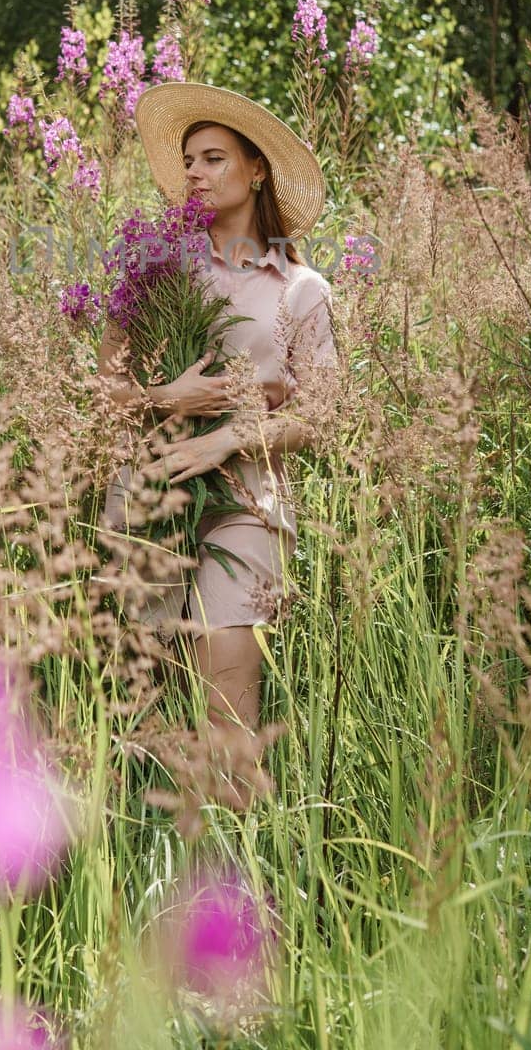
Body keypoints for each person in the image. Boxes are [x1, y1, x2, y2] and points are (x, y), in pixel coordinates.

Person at [99, 82, 337, 734]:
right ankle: (160, 835)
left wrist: (226, 439)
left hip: (243, 503)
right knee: (145, 715)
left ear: (256, 169)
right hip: (151, 498)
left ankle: (231, 829)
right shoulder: (153, 273)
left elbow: (321, 416)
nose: (194, 174)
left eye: (213, 158)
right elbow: (99, 395)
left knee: (227, 691)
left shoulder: (298, 288)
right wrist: (162, 398)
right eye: (188, 161)